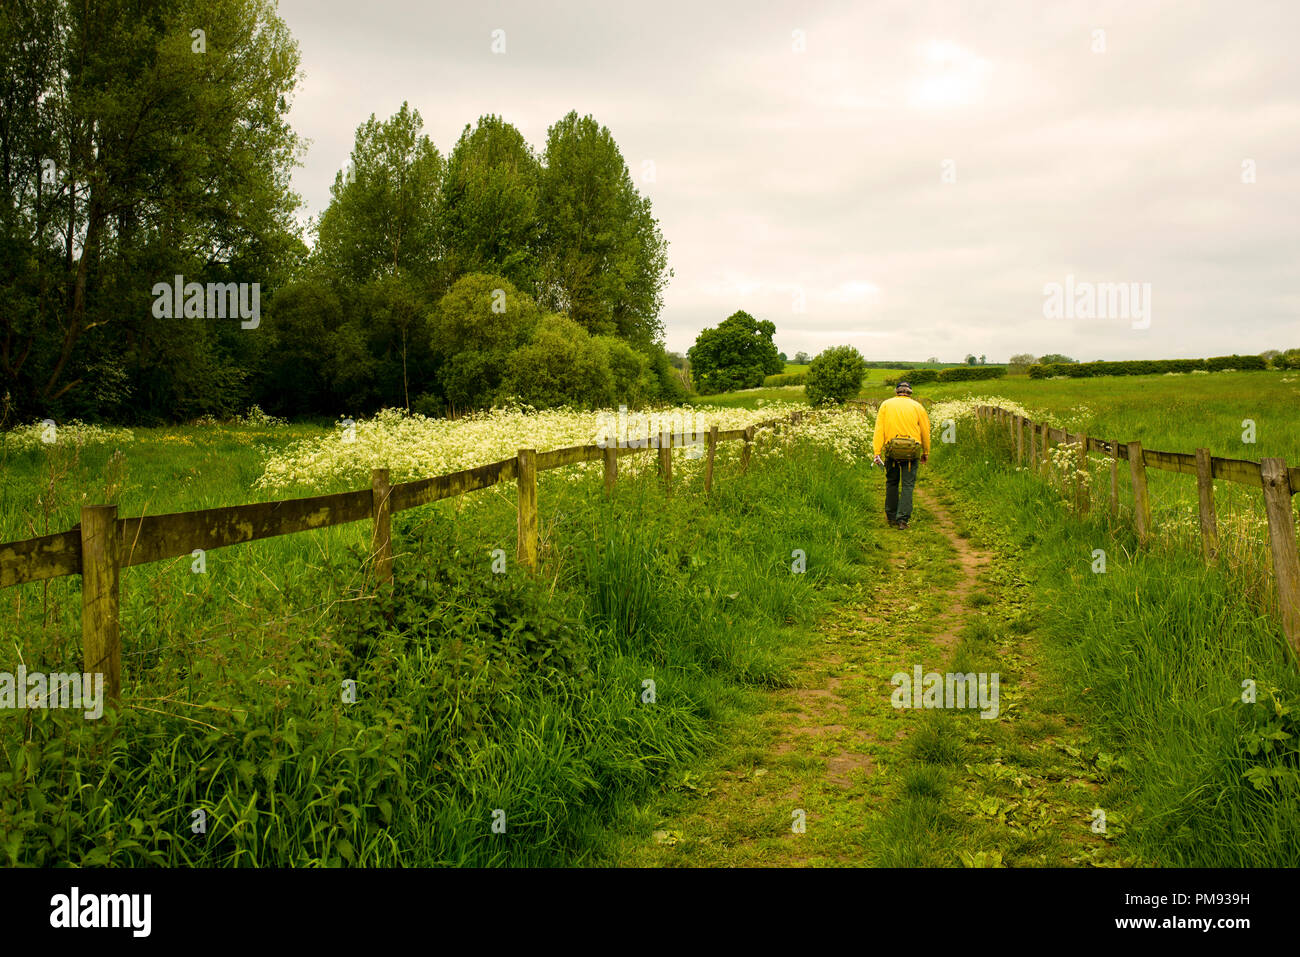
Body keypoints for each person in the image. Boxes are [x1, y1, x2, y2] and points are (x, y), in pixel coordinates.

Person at [872, 382, 931, 530]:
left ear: (896, 392)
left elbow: (879, 429)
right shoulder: (918, 407)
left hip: (892, 450)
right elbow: (925, 431)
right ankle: (902, 520)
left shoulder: (886, 405)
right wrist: (926, 452)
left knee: (892, 482)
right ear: (910, 393)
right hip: (912, 452)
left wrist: (877, 451)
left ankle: (891, 517)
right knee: (907, 485)